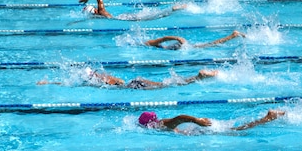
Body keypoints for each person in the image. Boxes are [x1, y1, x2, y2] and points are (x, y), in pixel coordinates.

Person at [38, 68, 218, 90]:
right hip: (133, 81)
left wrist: (50, 83)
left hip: (132, 86)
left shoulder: (97, 81)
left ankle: (197, 77)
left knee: (166, 87)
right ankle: (196, 77)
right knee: (167, 84)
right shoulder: (102, 75)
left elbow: (67, 83)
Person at [137, 109, 286, 132]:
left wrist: (198, 122)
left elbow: (180, 118)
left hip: (204, 128)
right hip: (200, 129)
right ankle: (267, 118)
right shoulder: (161, 123)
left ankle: (268, 118)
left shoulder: (162, 125)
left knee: (237, 130)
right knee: (236, 128)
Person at [79, 0, 187, 20]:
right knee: (151, 15)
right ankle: (172, 9)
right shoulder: (101, 12)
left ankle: (172, 9)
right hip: (124, 16)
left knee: (155, 16)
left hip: (127, 19)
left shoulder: (101, 12)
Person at [145, 30, 246, 50]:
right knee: (208, 45)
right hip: (177, 47)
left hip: (177, 46)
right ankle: (232, 36)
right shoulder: (153, 45)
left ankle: (232, 36)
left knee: (209, 45)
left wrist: (177, 38)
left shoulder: (147, 44)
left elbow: (164, 38)